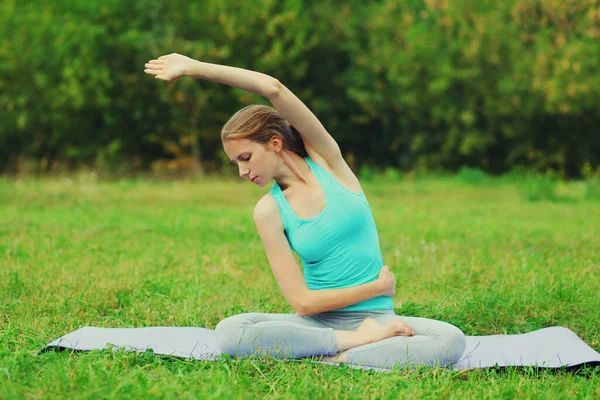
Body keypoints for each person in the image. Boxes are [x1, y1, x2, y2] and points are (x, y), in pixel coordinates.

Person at [144, 53, 466, 369]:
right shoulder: (269, 210)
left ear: (274, 143)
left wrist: (195, 67)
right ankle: (352, 346)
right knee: (231, 331)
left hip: (379, 318)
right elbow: (302, 303)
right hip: (319, 326)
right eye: (235, 163)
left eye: (245, 157)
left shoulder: (328, 162)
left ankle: (333, 354)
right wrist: (377, 288)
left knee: (451, 340)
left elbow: (274, 89)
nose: (242, 171)